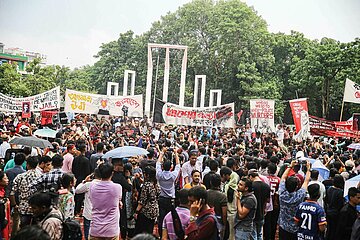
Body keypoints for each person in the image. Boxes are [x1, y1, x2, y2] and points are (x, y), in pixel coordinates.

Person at [278, 160, 311, 240]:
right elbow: (306, 181)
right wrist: (308, 169)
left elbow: (283, 177)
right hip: (295, 228)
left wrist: (290, 166)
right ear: (296, 187)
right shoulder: (299, 195)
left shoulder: (282, 193)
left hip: (283, 226)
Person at [89, 163, 122, 240]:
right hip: (111, 230)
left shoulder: (92, 186)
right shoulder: (117, 187)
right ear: (112, 173)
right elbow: (118, 200)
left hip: (95, 229)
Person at [10, 156, 41, 228]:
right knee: (35, 230)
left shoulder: (20, 176)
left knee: (24, 229)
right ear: (37, 165)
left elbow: (12, 193)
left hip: (23, 207)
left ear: (27, 165)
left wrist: (14, 205)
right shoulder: (41, 176)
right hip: (37, 207)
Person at [156, 147, 181, 238]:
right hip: (171, 200)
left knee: (161, 218)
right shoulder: (173, 176)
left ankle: (161, 235)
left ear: (163, 167)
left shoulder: (159, 175)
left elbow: (158, 163)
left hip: (162, 199)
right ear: (171, 167)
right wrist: (176, 153)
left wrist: (162, 153)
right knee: (172, 218)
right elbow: (178, 165)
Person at [75, 169, 101, 240]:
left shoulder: (88, 184)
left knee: (88, 235)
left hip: (89, 213)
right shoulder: (105, 185)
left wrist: (84, 181)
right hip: (100, 214)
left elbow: (77, 190)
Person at [134, 166, 159, 235]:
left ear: (147, 175)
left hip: (146, 211)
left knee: (142, 231)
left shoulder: (146, 185)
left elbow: (142, 200)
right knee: (149, 230)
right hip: (154, 210)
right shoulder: (156, 184)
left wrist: (136, 211)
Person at [248, 169, 270, 240]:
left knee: (253, 235)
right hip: (261, 213)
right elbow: (267, 201)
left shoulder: (251, 186)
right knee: (260, 234)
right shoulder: (266, 186)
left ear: (251, 176)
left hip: (252, 214)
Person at [72, 144, 91, 216]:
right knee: (81, 196)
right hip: (83, 179)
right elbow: (87, 171)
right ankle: (78, 210)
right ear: (84, 149)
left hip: (76, 178)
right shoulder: (86, 160)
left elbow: (73, 169)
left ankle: (75, 209)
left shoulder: (75, 158)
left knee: (76, 195)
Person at [324, 174, 345, 240]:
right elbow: (340, 204)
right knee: (335, 230)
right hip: (336, 213)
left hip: (328, 211)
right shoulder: (341, 192)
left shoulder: (329, 188)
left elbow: (326, 200)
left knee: (329, 229)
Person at [220, 166, 238, 240]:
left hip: (228, 213)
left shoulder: (227, 187)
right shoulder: (237, 189)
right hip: (235, 213)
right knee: (233, 234)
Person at [207, 174, 227, 238]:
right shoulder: (222, 196)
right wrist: (225, 224)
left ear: (210, 182)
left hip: (207, 220)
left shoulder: (205, 193)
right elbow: (224, 213)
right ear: (220, 183)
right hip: (219, 222)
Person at [264, 163, 280, 240]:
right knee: (274, 223)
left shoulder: (265, 179)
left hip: (267, 204)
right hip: (275, 203)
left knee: (267, 222)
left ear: (268, 170)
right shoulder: (279, 179)